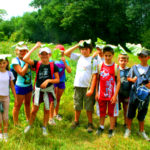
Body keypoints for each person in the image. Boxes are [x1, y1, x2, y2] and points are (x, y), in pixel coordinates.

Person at [23, 42, 59, 136]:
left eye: (46, 54)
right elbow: (25, 58)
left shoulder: (53, 65)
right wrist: (35, 47)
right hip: (38, 91)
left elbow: (57, 79)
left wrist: (48, 81)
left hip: (48, 91)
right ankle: (30, 125)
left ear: (49, 55)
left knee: (47, 110)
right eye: (42, 54)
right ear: (39, 55)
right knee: (34, 109)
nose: (44, 56)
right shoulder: (37, 63)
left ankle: (44, 127)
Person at [64, 40, 97, 133]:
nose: (84, 51)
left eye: (86, 49)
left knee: (89, 106)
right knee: (77, 104)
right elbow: (66, 53)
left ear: (90, 50)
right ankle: (76, 121)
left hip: (87, 87)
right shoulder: (78, 57)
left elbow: (95, 76)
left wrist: (91, 89)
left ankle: (90, 123)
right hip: (78, 85)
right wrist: (77, 45)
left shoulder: (93, 61)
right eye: (82, 49)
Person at [93, 46, 121, 138]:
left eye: (109, 55)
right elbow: (97, 80)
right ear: (103, 55)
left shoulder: (116, 67)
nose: (108, 57)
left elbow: (119, 82)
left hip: (111, 94)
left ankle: (111, 129)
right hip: (102, 93)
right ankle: (101, 127)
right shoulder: (100, 66)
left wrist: (115, 95)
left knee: (112, 112)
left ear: (112, 55)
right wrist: (96, 92)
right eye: (106, 55)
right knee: (102, 111)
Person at [124, 50, 150, 141]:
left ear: (148, 57)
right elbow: (128, 78)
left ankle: (141, 131)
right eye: (141, 56)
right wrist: (132, 80)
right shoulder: (134, 67)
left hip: (145, 95)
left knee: (142, 112)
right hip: (134, 93)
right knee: (130, 111)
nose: (143, 58)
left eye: (145, 56)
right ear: (139, 57)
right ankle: (128, 129)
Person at [49, 44, 71, 125]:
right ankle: (50, 118)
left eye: (61, 52)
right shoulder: (51, 60)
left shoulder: (65, 60)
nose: (60, 53)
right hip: (54, 81)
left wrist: (65, 62)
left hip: (61, 81)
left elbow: (69, 71)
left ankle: (56, 114)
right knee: (52, 99)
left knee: (58, 99)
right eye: (58, 52)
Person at [11, 42, 32, 125]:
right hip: (20, 86)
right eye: (21, 51)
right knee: (17, 105)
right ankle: (16, 123)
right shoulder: (15, 61)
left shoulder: (27, 58)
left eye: (24, 51)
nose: (23, 52)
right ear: (17, 51)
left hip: (29, 85)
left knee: (27, 104)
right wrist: (27, 62)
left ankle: (28, 119)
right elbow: (22, 73)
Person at [0, 55, 16, 142]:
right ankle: (0, 133)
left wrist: (15, 97)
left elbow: (12, 86)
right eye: (0, 63)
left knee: (5, 117)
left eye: (4, 63)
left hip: (6, 98)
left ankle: (5, 133)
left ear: (7, 63)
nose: (2, 65)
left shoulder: (9, 73)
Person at [117, 53, 130, 127]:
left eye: (125, 60)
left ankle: (126, 123)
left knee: (126, 109)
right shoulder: (116, 69)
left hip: (126, 93)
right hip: (118, 93)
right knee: (116, 109)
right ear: (119, 60)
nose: (123, 62)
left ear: (127, 61)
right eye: (121, 60)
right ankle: (114, 122)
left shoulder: (130, 70)